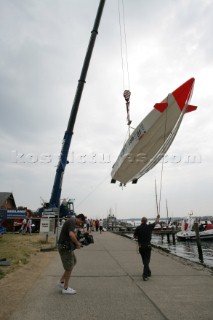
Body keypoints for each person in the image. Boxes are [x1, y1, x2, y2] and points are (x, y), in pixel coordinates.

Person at [57, 213, 86, 294]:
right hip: (64, 247)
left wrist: (78, 240)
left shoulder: (71, 221)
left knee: (74, 262)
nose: (81, 224)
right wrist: (77, 244)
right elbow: (71, 234)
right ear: (79, 218)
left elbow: (72, 234)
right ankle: (65, 288)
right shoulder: (72, 221)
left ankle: (62, 281)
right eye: (81, 222)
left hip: (67, 247)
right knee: (69, 266)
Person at [134, 214, 160, 281]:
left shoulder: (138, 228)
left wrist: (139, 237)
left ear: (141, 221)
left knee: (144, 261)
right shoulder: (149, 227)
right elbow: (156, 222)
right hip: (147, 246)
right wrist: (158, 217)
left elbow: (135, 236)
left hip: (141, 246)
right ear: (146, 221)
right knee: (146, 261)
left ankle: (148, 272)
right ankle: (145, 275)